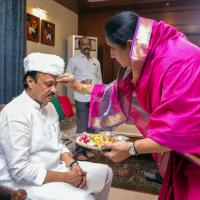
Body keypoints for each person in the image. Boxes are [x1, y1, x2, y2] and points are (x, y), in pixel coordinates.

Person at [57, 11, 200, 200]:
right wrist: (77, 86)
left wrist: (131, 148)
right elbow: (113, 92)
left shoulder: (177, 61)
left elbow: (177, 132)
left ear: (131, 45)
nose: (112, 55)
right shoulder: (147, 56)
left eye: (113, 49)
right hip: (179, 151)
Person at [0, 52, 112, 200]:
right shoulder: (16, 112)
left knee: (105, 173)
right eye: (48, 84)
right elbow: (19, 170)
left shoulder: (50, 106)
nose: (54, 90)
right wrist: (66, 178)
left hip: (56, 167)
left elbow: (58, 144)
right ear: (30, 81)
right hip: (26, 182)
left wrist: (73, 164)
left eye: (55, 84)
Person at [67, 36, 102, 160]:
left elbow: (99, 80)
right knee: (82, 125)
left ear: (91, 46)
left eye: (88, 44)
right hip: (81, 97)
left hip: (93, 97)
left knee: (91, 125)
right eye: (83, 44)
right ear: (79, 46)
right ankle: (80, 151)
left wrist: (99, 95)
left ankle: (87, 149)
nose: (86, 46)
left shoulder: (96, 61)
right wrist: (79, 82)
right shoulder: (74, 60)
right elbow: (68, 78)